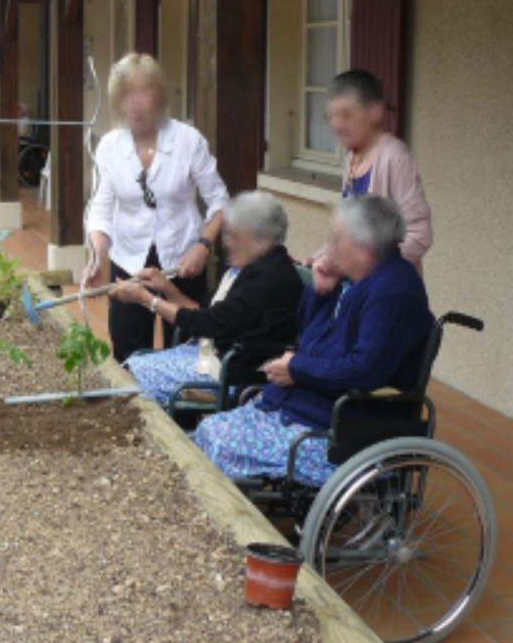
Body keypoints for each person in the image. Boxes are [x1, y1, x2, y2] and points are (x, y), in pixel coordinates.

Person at [194, 195, 434, 488]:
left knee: (217, 444)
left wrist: (297, 369)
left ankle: (235, 525)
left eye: (337, 238)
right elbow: (308, 336)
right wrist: (319, 292)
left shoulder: (392, 291)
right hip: (305, 409)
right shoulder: (354, 278)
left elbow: (363, 370)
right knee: (206, 433)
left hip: (338, 427)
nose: (329, 246)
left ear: (363, 246)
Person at [86, 53, 229, 363]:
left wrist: (204, 246)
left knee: (185, 351)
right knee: (129, 353)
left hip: (182, 261)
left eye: (144, 92)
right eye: (127, 95)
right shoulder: (110, 146)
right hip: (128, 260)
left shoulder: (188, 141)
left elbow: (219, 201)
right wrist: (98, 254)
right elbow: (100, 209)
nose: (135, 103)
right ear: (116, 102)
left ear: (160, 95)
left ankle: (182, 414)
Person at [110, 191, 304, 406]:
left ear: (263, 239)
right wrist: (164, 287)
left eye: (235, 236)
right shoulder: (246, 268)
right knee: (132, 368)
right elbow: (206, 313)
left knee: (131, 378)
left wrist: (147, 300)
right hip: (212, 356)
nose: (226, 242)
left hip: (234, 373)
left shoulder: (268, 279)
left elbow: (208, 324)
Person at [306, 69, 432, 273]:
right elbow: (349, 230)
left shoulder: (394, 156)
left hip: (389, 292)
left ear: (375, 111)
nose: (337, 124)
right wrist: (321, 257)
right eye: (331, 115)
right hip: (358, 288)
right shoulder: (351, 159)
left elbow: (419, 234)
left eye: (346, 114)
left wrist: (365, 263)